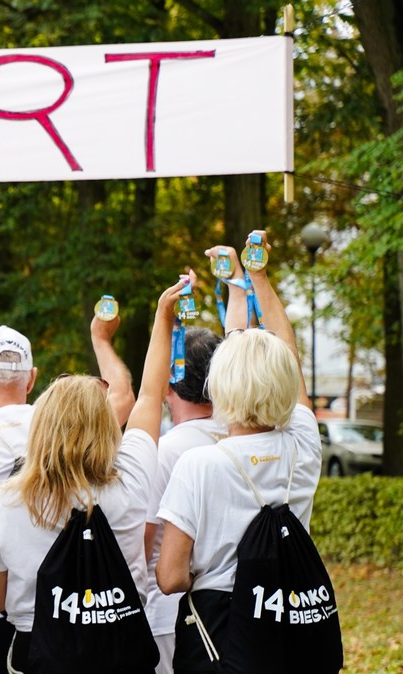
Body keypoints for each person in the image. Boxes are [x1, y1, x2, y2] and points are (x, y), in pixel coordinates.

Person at [0, 274, 185, 672]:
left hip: (40, 653)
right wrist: (163, 317)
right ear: (107, 426)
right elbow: (151, 395)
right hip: (120, 650)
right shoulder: (131, 479)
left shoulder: (5, 501)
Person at [0, 316, 133, 674]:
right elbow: (123, 398)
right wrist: (101, 339)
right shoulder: (65, 425)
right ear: (33, 378)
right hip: (67, 606)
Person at [156, 236, 321, 672]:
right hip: (290, 619)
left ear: (220, 386)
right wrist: (255, 278)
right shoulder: (303, 440)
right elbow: (284, 352)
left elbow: (170, 577)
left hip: (222, 630)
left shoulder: (200, 464)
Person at [143, 326, 224, 674]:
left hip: (166, 609)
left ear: (168, 381)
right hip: (225, 609)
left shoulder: (166, 449)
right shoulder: (238, 436)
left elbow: (143, 541)